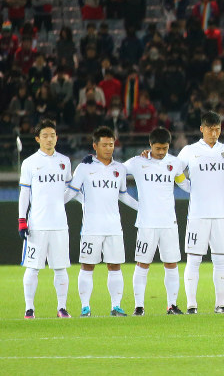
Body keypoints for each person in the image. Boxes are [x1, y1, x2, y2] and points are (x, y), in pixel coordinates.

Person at [67, 126, 139, 317]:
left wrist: (142, 207)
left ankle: (116, 306)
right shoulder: (84, 167)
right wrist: (56, 203)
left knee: (115, 266)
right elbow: (72, 192)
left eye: (111, 144)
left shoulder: (119, 169)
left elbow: (123, 195)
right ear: (95, 146)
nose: (109, 148)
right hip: (91, 227)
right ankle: (85, 307)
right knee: (87, 266)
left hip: (114, 227)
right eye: (104, 144)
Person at [175, 111, 224, 314]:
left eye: (218, 129)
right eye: (211, 129)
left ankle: (220, 304)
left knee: (220, 260)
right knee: (194, 259)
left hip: (220, 214)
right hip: (198, 214)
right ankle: (191, 305)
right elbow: (175, 170)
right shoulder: (189, 151)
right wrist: (189, 187)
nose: (214, 133)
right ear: (202, 129)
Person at [124, 127, 190, 316]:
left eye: (165, 148)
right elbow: (117, 170)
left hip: (169, 222)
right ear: (150, 145)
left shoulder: (175, 163)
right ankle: (139, 306)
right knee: (142, 264)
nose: (161, 152)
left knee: (171, 264)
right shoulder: (138, 162)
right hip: (146, 223)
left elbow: (183, 183)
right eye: (158, 148)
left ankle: (172, 305)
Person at [18, 119, 76, 319]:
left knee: (60, 268)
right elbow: (24, 194)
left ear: (57, 137)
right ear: (37, 139)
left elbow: (70, 189)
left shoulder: (65, 161)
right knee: (32, 267)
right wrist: (22, 220)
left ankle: (62, 308)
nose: (49, 139)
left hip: (60, 225)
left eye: (52, 135)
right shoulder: (30, 163)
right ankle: (29, 309)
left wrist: (61, 201)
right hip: (37, 225)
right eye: (45, 136)